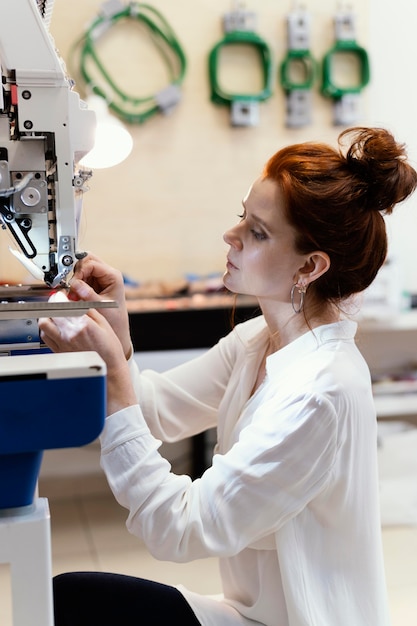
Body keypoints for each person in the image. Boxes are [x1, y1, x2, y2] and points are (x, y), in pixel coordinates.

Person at [39, 126, 417, 626]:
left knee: (76, 602)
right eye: (242, 217)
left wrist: (111, 371)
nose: (231, 236)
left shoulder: (319, 392)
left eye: (257, 232)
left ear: (310, 266)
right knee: (72, 598)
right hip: (251, 614)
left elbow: (177, 527)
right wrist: (121, 339)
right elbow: (153, 412)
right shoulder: (258, 341)